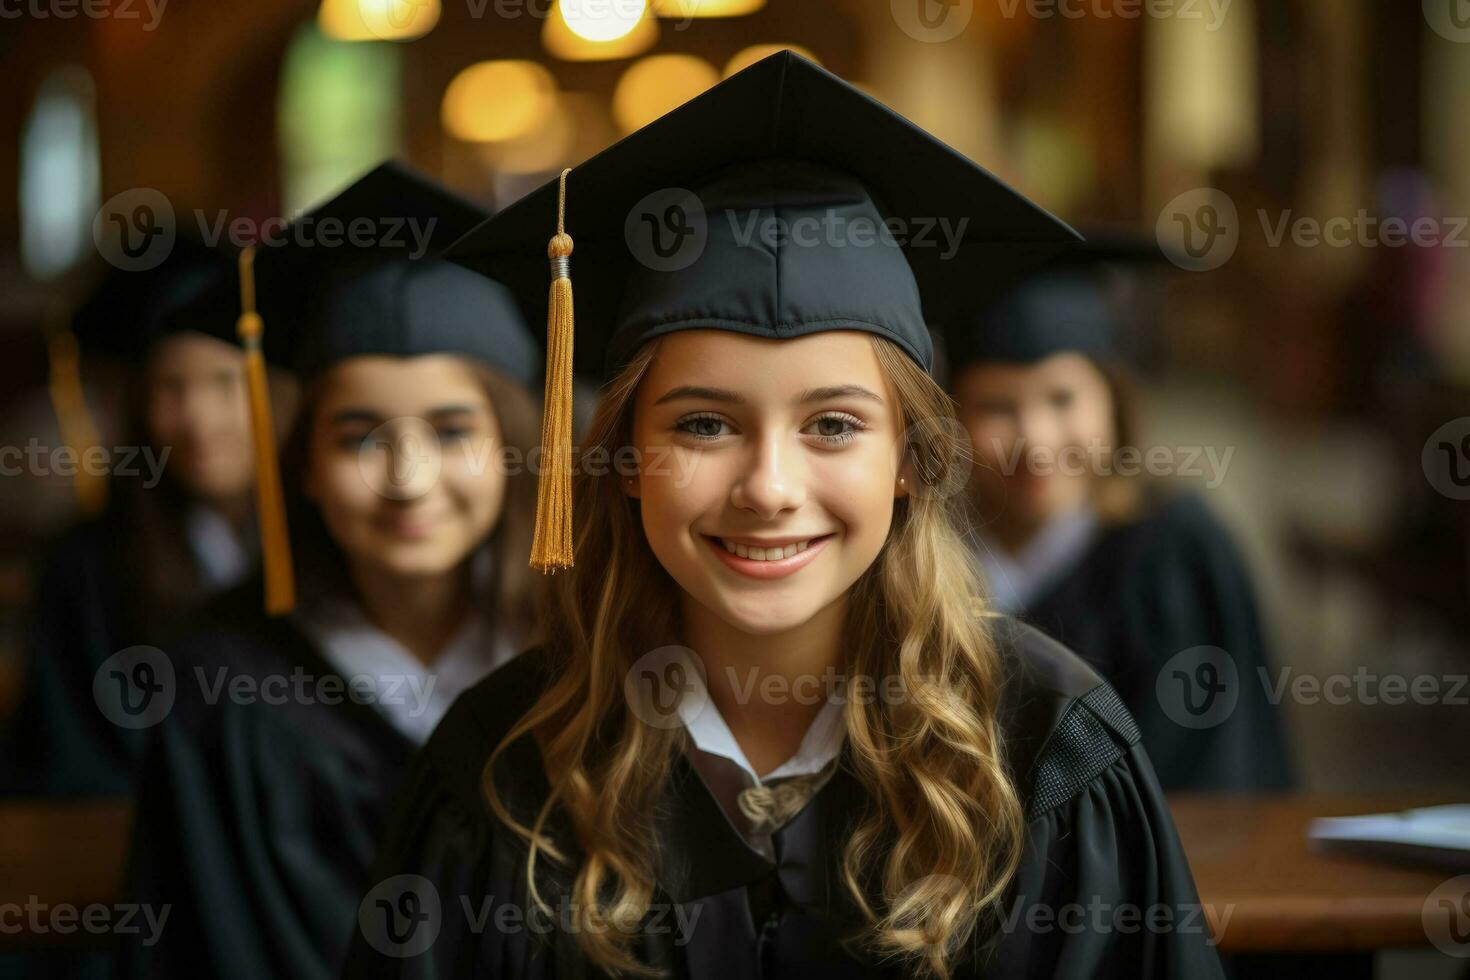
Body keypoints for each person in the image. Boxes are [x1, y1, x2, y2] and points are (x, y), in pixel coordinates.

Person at [343, 52, 1225, 978]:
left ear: (913, 462)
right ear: (626, 458)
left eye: (834, 424)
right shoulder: (506, 767)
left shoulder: (1043, 751)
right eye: (705, 424)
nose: (768, 486)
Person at [121, 162, 544, 980]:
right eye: (358, 437)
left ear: (516, 452)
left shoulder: (579, 666)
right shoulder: (222, 696)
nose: (408, 477)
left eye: (453, 432)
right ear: (302, 466)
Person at [944, 241, 1293, 792]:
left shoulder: (1175, 555)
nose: (1035, 442)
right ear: (952, 416)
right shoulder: (928, 558)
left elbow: (1215, 775)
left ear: (1113, 400)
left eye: (1062, 399)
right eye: (997, 407)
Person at [0, 238, 263, 798]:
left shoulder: (331, 550)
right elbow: (73, 769)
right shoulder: (88, 569)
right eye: (171, 387)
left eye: (226, 382)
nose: (198, 419)